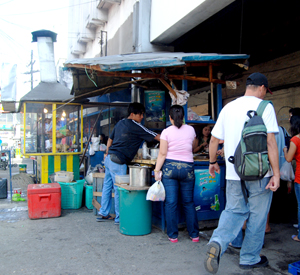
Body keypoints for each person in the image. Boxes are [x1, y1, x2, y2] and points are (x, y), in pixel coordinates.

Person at [204, 72, 280, 274]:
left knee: (233, 211)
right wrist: (277, 174)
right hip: (260, 173)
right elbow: (271, 142)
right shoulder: (265, 107)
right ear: (262, 88)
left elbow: (213, 140)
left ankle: (218, 242)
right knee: (258, 214)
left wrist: (212, 162)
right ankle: (249, 257)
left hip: (233, 172)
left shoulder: (228, 108)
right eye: (265, 91)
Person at [97, 102, 160, 224]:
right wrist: (170, 138)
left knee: (107, 186)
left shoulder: (120, 123)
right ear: (132, 114)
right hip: (118, 161)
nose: (142, 117)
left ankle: (103, 213)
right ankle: (120, 217)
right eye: (140, 114)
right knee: (119, 188)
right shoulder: (136, 125)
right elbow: (155, 136)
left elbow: (110, 139)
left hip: (109, 159)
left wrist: (106, 152)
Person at [154, 105, 199, 243]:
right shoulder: (191, 130)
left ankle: (173, 235)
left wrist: (157, 170)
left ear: (170, 117)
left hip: (170, 168)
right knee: (188, 202)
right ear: (184, 117)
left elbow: (162, 153)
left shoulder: (166, 132)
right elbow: (192, 147)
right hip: (187, 168)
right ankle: (194, 235)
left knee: (171, 203)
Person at [283, 115, 300, 242]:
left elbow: (289, 158)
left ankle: (299, 236)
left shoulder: (295, 139)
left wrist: (284, 150)